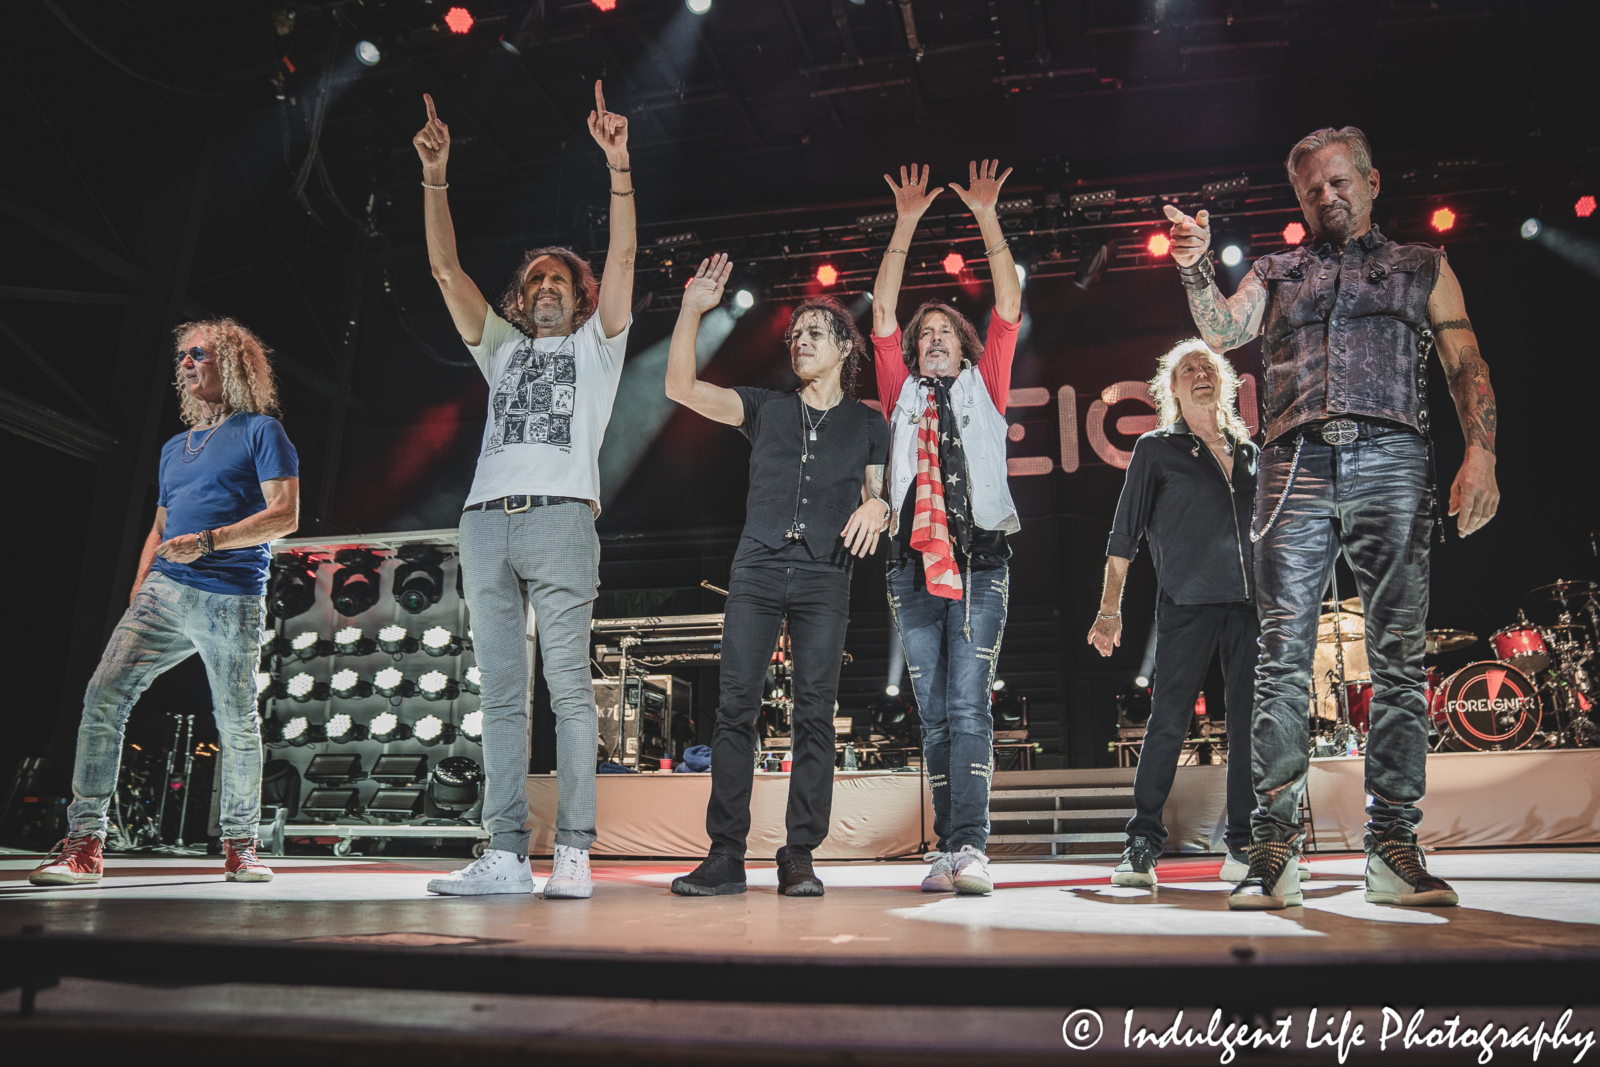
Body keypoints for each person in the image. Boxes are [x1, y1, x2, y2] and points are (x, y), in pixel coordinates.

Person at [1164, 126, 1499, 910]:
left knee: (1397, 658)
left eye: (1340, 181)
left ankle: (1392, 846)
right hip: (1293, 464)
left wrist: (1481, 451)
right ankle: (1277, 848)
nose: (1327, 196)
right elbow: (1220, 330)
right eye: (1312, 188)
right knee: (1281, 658)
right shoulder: (1278, 272)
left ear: (1372, 181)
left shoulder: (1424, 266)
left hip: (1393, 456)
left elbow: (1465, 362)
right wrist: (1192, 265)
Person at [414, 82, 635, 899]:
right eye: (534, 279)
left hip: (562, 520)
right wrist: (435, 177)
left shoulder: (599, 351)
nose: (545, 286)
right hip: (483, 525)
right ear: (521, 296)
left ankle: (573, 850)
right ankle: (505, 852)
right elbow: (442, 267)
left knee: (570, 690)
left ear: (577, 298)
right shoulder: (501, 349)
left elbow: (623, 260)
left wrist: (618, 168)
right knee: (503, 695)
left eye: (558, 280)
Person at [30, 319, 299, 887]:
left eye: (197, 353)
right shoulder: (175, 448)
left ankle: (240, 845)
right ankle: (84, 844)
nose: (186, 364)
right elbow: (159, 525)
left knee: (236, 721)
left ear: (232, 363)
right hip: (164, 591)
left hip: (231, 596)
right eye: (183, 356)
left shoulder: (262, 431)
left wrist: (208, 543)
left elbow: (285, 516)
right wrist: (141, 588)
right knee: (103, 694)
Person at [665, 254, 890, 897]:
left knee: (816, 713)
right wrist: (691, 311)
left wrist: (879, 503)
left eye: (814, 333)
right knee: (735, 708)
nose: (800, 342)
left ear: (845, 346)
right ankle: (725, 854)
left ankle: (798, 855)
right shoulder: (764, 407)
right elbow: (680, 385)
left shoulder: (869, 423)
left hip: (826, 577)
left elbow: (880, 496)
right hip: (758, 567)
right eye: (794, 335)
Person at [868, 161, 1022, 896]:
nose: (931, 339)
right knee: (933, 713)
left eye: (943, 333)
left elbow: (1009, 305)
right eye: (924, 334)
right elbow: (881, 318)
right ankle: (944, 846)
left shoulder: (984, 384)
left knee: (968, 704)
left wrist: (987, 217)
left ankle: (971, 846)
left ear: (963, 347)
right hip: (911, 565)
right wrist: (905, 222)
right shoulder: (899, 392)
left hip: (981, 562)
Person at [1089, 341, 1262, 888]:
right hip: (1187, 603)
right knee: (1168, 723)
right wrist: (1109, 611)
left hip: (1250, 606)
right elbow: (1124, 535)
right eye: (1187, 369)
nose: (1198, 374)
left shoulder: (1251, 451)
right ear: (1173, 388)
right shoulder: (1156, 449)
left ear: (1225, 381)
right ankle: (1142, 844)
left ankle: (1244, 843)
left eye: (1207, 366)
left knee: (1249, 727)